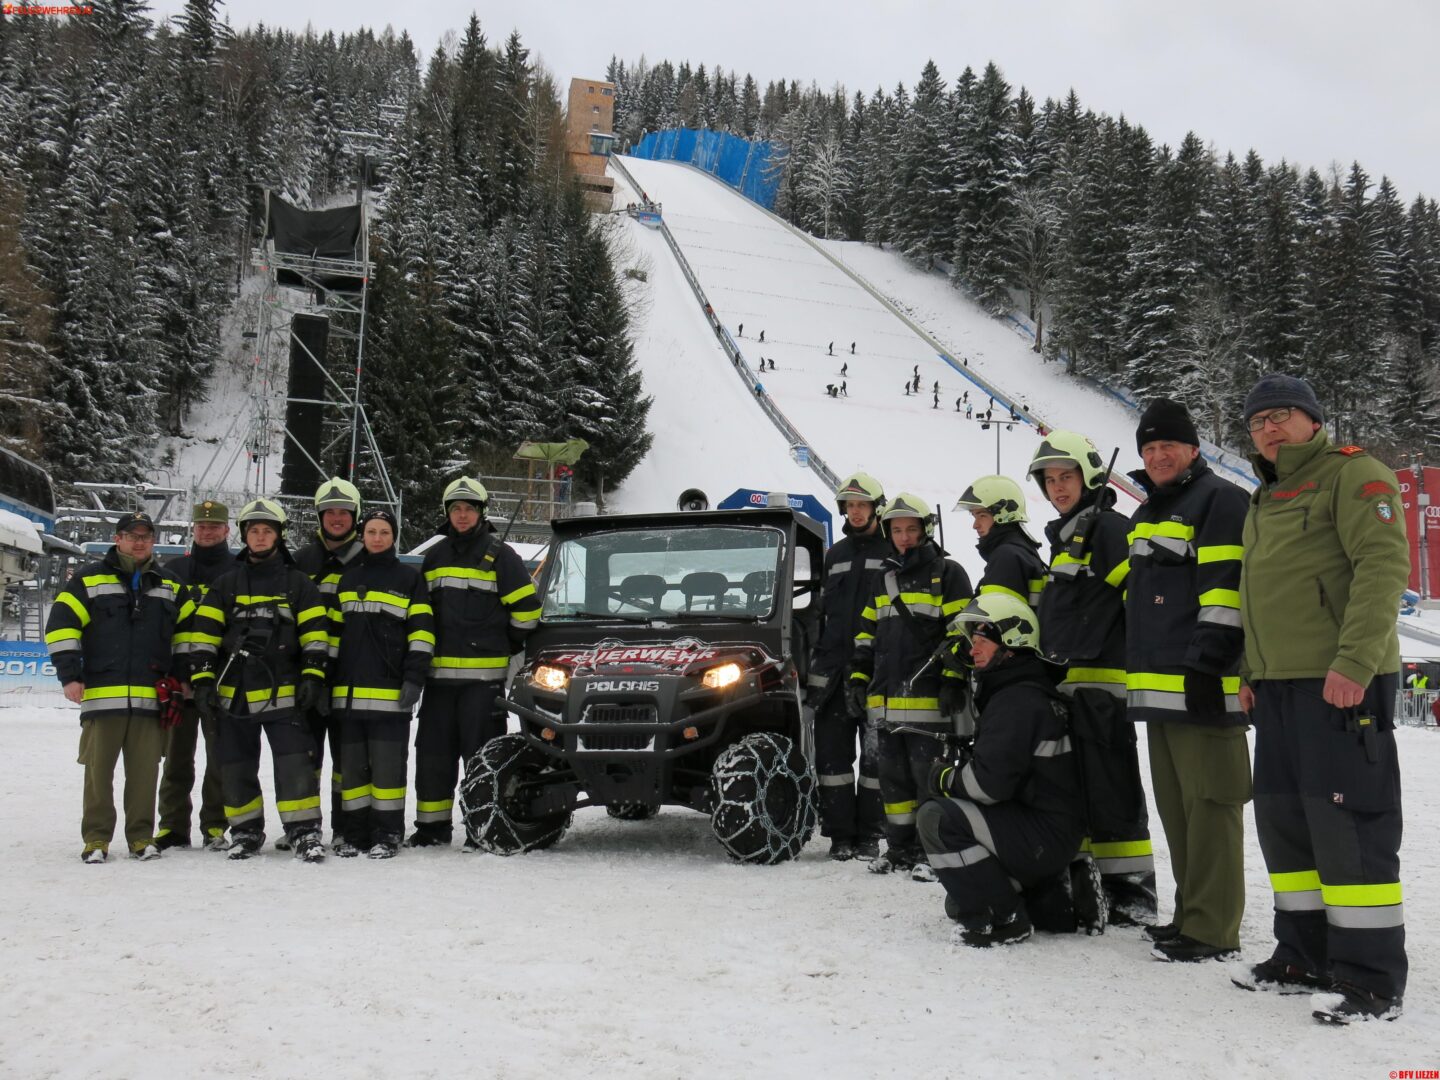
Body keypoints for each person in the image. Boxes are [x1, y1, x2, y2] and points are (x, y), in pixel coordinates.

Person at [1231, 374, 1410, 1025]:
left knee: (1349, 826)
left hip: (1341, 683)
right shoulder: (1265, 497)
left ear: (1312, 419)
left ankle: (1370, 979)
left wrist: (1356, 661)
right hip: (1278, 689)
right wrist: (1252, 670)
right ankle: (1302, 955)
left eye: (1280, 416)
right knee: (1286, 825)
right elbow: (1262, 594)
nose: (1269, 429)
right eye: (1257, 422)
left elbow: (1383, 566)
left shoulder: (1354, 475)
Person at [1124, 400, 1252, 962]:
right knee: (1177, 811)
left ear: (1193, 449)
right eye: (1148, 449)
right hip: (1159, 693)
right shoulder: (1147, 514)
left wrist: (1208, 664)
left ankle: (1214, 928)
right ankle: (1189, 914)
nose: (1157, 456)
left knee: (1212, 807)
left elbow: (1226, 589)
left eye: (1167, 446)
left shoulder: (1221, 501)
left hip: (1204, 685)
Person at [1029, 431, 1157, 924]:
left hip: (1103, 684)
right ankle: (1094, 885)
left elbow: (1137, 599)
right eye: (1050, 480)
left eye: (1067, 477)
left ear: (1090, 476)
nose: (1058, 487)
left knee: (1113, 788)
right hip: (1070, 685)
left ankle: (1133, 894)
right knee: (1081, 787)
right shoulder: (1064, 537)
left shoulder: (1107, 530)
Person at [918, 594, 1087, 947]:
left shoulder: (1016, 701)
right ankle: (1042, 898)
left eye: (982, 641)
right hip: (1047, 829)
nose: (973, 650)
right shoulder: (1022, 691)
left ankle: (1002, 919)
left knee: (936, 818)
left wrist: (943, 778)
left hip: (1043, 834)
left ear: (1011, 643)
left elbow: (987, 786)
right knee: (959, 896)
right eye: (972, 642)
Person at [189, 499, 332, 861]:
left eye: (267, 531)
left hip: (283, 692)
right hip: (234, 695)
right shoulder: (226, 584)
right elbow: (203, 636)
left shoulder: (298, 583)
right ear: (244, 536)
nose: (261, 536)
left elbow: (316, 634)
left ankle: (304, 831)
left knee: (294, 763)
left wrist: (313, 676)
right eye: (254, 531)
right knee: (236, 765)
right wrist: (203, 681)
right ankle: (246, 831)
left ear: (279, 536)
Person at [46, 512, 185, 863]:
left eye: (145, 536)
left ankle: (141, 837)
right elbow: (61, 626)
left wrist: (182, 679)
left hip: (151, 698)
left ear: (153, 541)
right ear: (118, 539)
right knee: (98, 774)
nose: (139, 542)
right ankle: (96, 838)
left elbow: (186, 638)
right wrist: (70, 676)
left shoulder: (170, 585)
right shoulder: (88, 579)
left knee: (145, 774)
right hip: (100, 697)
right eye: (131, 535)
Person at [411, 477, 541, 849]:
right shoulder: (434, 557)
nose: (462, 514)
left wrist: (505, 643)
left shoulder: (501, 556)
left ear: (481, 512)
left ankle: (481, 829)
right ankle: (431, 829)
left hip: (482, 685)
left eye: (468, 508)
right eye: (456, 508)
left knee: (481, 761)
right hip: (437, 684)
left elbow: (528, 613)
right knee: (433, 758)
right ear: (447, 513)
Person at [849, 493, 973, 879]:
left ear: (925, 530)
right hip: (886, 704)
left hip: (929, 703)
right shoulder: (883, 579)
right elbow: (866, 635)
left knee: (929, 781)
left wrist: (953, 679)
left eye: (911, 529)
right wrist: (857, 678)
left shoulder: (948, 574)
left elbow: (963, 634)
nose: (903, 537)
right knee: (894, 784)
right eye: (897, 530)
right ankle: (899, 849)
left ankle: (930, 853)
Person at [328, 509, 433, 859]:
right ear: (362, 536)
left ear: (393, 537)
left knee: (388, 772)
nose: (377, 538)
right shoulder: (346, 580)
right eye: (371, 531)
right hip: (348, 696)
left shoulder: (409, 579)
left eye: (384, 532)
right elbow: (332, 637)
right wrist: (323, 679)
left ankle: (387, 834)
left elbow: (421, 634)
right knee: (352, 772)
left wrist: (414, 679)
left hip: (390, 696)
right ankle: (355, 834)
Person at [808, 473, 890, 861]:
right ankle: (840, 835)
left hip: (875, 672)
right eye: (850, 505)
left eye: (862, 505)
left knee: (876, 761)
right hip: (833, 675)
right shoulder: (835, 554)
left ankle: (870, 834)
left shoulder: (893, 553)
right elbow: (823, 616)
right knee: (833, 760)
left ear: (877, 507)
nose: (855, 512)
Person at [157, 499, 233, 852]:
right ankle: (172, 826)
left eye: (214, 527)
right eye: (202, 527)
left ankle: (215, 825)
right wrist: (172, 675)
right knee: (176, 760)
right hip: (178, 683)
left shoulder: (238, 571)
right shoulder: (171, 571)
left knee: (219, 760)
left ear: (227, 530)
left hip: (221, 681)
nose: (207, 532)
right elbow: (159, 629)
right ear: (193, 530)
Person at [292, 477, 364, 848]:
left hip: (352, 676)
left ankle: (345, 830)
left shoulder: (371, 560)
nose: (337, 518)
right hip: (305, 677)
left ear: (355, 516)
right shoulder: (299, 561)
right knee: (304, 758)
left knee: (347, 761)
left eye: (344, 512)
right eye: (329, 512)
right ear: (319, 516)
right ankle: (303, 830)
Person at [954, 475, 1046, 609]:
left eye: (982, 516)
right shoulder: (1021, 552)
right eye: (974, 516)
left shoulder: (1007, 556)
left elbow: (992, 616)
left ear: (1003, 515)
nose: (975, 525)